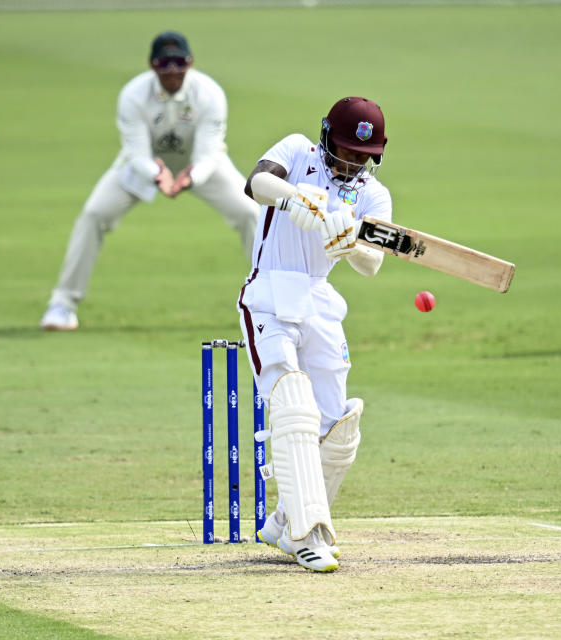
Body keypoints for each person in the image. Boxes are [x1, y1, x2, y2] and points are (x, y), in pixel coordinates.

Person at [239, 97, 391, 572]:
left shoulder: (373, 194)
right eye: (345, 151)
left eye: (362, 156)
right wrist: (293, 198)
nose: (351, 163)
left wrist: (351, 245)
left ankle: (284, 522)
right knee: (294, 406)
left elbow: (374, 263)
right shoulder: (297, 152)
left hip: (321, 302)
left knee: (337, 428)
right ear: (326, 138)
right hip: (269, 292)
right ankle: (309, 535)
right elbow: (256, 183)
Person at [39, 31, 259, 330]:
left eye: (179, 62)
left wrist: (189, 177)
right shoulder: (133, 95)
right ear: (152, 65)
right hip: (145, 166)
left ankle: (269, 301)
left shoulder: (210, 94)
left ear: (190, 63)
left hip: (201, 166)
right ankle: (62, 305)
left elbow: (208, 155)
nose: (172, 71)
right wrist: (158, 175)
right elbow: (136, 153)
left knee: (250, 212)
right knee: (94, 214)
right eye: (164, 63)